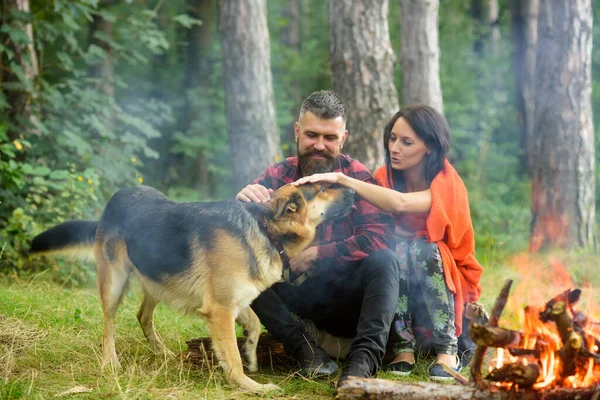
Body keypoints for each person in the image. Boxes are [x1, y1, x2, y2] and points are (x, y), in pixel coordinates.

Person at [236, 91, 431, 387]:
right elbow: (239, 235)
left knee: (385, 260)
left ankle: (362, 363)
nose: (319, 145)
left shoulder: (358, 177)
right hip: (295, 301)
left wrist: (319, 253)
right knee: (244, 260)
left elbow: (379, 238)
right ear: (297, 131)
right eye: (312, 134)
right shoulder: (278, 175)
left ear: (343, 138)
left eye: (329, 137)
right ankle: (304, 350)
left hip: (348, 299)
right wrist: (241, 202)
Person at [293, 104, 483, 381]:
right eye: (393, 138)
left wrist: (343, 178)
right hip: (404, 272)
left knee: (421, 248)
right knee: (395, 250)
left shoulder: (446, 180)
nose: (395, 147)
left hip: (446, 272)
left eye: (407, 142)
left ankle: (447, 348)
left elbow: (401, 203)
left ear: (429, 147)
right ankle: (403, 347)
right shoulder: (384, 177)